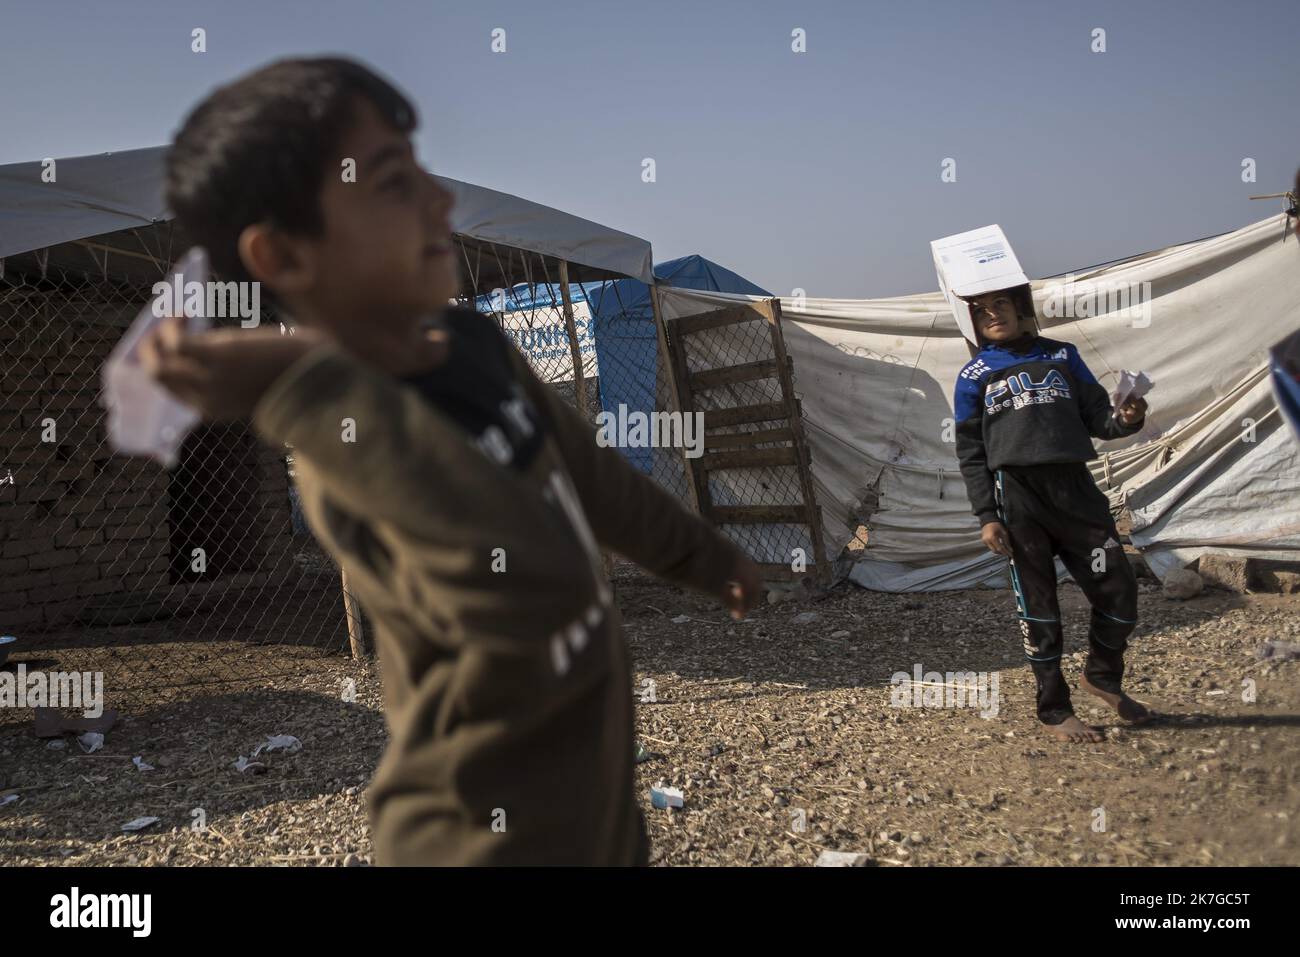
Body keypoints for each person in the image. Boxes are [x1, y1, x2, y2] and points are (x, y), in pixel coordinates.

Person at [141, 56, 763, 864]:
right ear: (285, 257)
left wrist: (705, 557)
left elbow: (589, 475)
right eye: (394, 182)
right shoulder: (348, 442)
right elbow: (518, 577)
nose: (442, 199)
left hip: (598, 813)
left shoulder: (474, 345)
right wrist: (300, 377)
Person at [953, 289, 1152, 743]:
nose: (992, 314)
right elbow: (970, 452)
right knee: (1039, 608)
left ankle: (1102, 675)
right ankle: (1054, 709)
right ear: (973, 324)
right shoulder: (974, 375)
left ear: (1019, 308)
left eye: (1000, 304)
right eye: (980, 311)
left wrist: (1129, 417)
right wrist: (987, 514)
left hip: (1076, 493)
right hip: (1019, 499)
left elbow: (1101, 418)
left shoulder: (1063, 355)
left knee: (1119, 589)